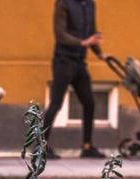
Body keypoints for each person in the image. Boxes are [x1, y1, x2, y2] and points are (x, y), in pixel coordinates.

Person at [43, 0, 107, 159]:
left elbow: (91, 32)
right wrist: (83, 42)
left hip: (79, 63)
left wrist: (99, 53)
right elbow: (60, 34)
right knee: (56, 103)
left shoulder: (90, 4)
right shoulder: (63, 4)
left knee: (89, 103)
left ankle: (87, 147)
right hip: (63, 61)